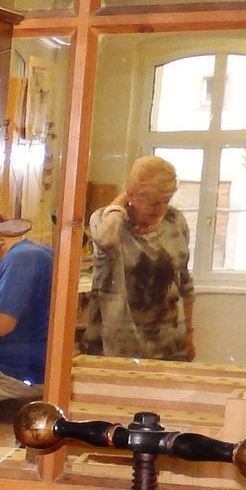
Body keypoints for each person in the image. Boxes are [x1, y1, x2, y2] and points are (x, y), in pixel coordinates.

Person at [87, 155, 196, 361]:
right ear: (131, 195)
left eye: (166, 201)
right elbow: (106, 240)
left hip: (170, 343)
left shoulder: (174, 221)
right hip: (118, 346)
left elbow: (184, 281)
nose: (160, 209)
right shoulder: (106, 219)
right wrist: (119, 205)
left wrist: (189, 332)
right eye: (153, 202)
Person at [0, 217, 53, 414]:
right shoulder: (40, 252)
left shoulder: (20, 259)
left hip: (14, 374)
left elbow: (0, 325)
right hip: (38, 367)